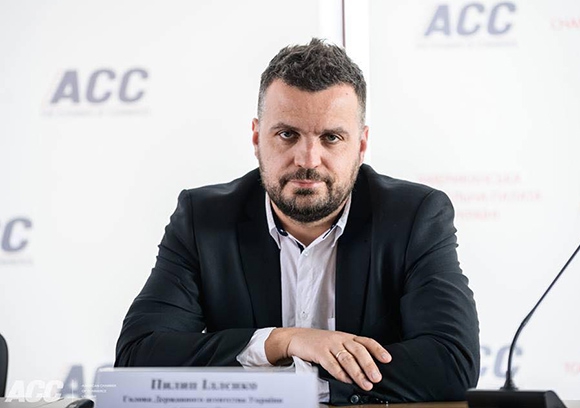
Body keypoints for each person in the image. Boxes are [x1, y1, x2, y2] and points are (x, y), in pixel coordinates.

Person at [115, 38, 480, 405]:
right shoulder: (203, 219)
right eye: (287, 135)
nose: (308, 160)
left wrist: (291, 382)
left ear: (361, 145)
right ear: (256, 137)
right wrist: (282, 341)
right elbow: (137, 358)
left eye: (331, 138)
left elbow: (451, 364)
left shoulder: (415, 217)